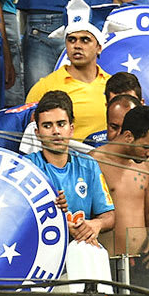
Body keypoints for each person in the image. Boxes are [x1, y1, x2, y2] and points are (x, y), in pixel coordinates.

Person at [25, 92, 115, 244]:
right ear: (37, 133)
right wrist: (59, 224)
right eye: (47, 126)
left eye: (61, 124)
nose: (56, 131)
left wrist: (96, 224)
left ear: (71, 129)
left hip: (79, 252)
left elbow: (109, 216)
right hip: (39, 253)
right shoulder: (27, 167)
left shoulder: (89, 165)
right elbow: (17, 218)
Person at [91, 105, 149, 262]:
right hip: (107, 264)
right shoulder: (94, 162)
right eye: (146, 147)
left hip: (141, 263)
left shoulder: (148, 165)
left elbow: (146, 216)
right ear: (128, 136)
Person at [23, 9, 110, 141]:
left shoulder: (112, 84)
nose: (77, 46)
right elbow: (30, 136)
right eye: (71, 40)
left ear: (99, 47)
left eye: (85, 40)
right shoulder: (45, 87)